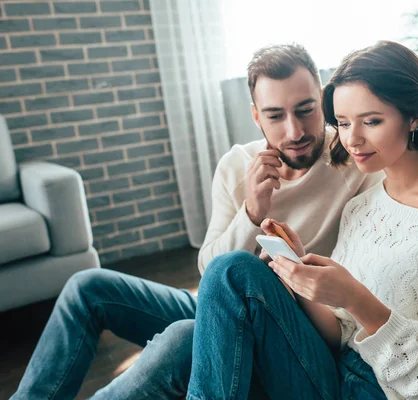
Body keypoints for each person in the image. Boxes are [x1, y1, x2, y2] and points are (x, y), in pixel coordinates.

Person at [11, 44, 381, 400]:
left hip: (296, 327)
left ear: (323, 101)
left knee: (183, 339)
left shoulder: (356, 160)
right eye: (275, 116)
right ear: (256, 116)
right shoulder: (238, 166)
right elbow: (209, 268)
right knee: (87, 286)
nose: (295, 132)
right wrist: (251, 213)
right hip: (227, 301)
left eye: (306, 110)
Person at [186, 41, 418, 400]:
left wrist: (356, 298)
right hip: (333, 374)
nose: (352, 139)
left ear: (414, 115)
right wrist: (299, 272)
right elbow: (339, 333)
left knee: (211, 301)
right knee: (225, 278)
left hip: (379, 391)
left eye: (371, 121)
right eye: (342, 123)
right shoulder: (362, 207)